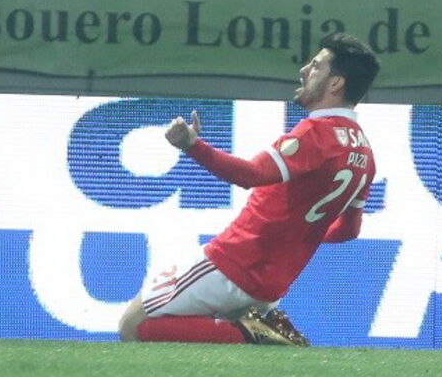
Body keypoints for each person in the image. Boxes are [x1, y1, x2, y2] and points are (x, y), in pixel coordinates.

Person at [119, 33, 379, 346]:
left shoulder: (315, 134)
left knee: (133, 325)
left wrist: (192, 145)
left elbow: (251, 174)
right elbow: (349, 230)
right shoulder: (365, 153)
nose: (304, 70)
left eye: (316, 66)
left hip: (235, 262)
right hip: (272, 285)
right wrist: (296, 235)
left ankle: (251, 333)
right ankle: (255, 329)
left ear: (335, 83)